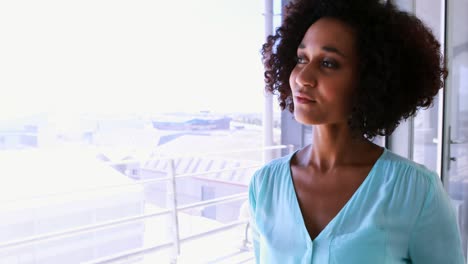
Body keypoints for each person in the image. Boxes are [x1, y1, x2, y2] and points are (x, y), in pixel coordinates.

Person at [248, 0, 465, 263]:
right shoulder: (264, 186)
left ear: (369, 79)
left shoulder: (417, 192)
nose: (303, 77)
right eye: (301, 58)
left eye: (328, 63)